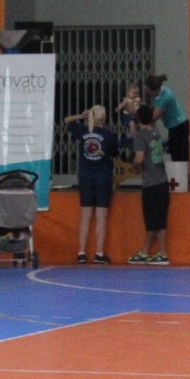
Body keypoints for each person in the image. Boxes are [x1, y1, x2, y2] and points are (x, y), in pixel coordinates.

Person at [63, 105, 118, 264]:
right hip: (103, 178)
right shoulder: (108, 135)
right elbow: (115, 154)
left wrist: (82, 116)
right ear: (105, 118)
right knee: (101, 217)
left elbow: (66, 120)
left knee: (85, 216)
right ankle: (99, 253)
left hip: (85, 177)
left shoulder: (83, 132)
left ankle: (81, 252)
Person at [126, 104, 170, 265]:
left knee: (156, 220)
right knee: (154, 219)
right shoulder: (156, 133)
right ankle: (145, 251)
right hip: (162, 180)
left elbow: (139, 158)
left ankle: (163, 253)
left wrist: (134, 166)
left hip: (151, 183)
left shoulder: (140, 136)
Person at [145, 74, 190, 163]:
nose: (147, 92)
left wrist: (138, 113)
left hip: (178, 127)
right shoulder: (162, 92)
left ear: (154, 89)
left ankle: (181, 175)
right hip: (175, 127)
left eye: (148, 91)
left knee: (178, 156)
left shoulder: (165, 98)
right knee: (175, 152)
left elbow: (154, 117)